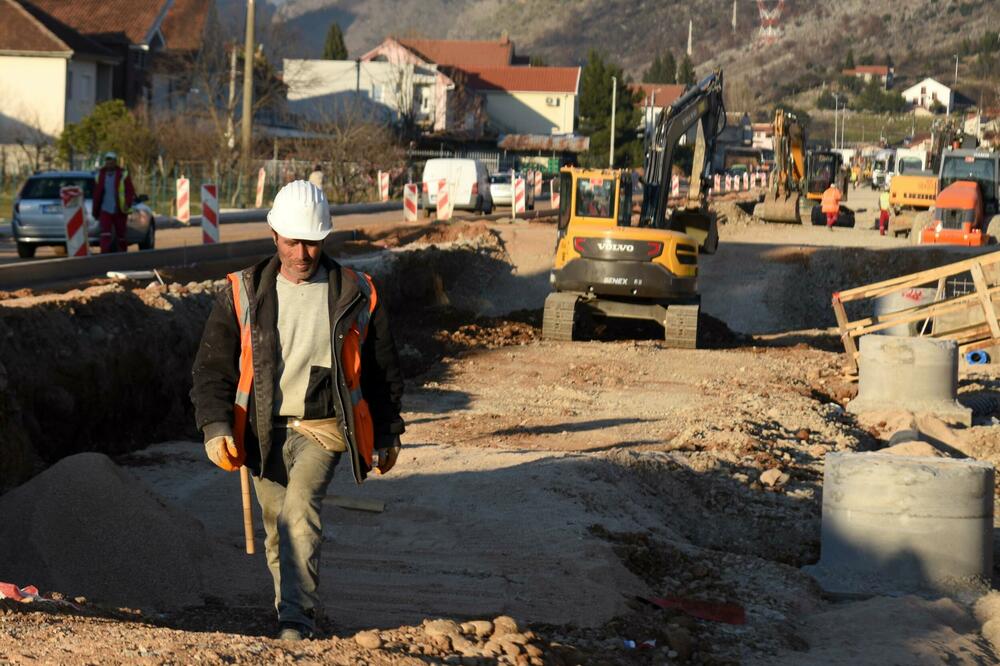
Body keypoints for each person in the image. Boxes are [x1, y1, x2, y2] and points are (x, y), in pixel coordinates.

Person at [190, 180, 405, 641]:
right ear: (273, 235)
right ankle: (289, 607)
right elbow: (212, 368)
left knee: (300, 511)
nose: (303, 253)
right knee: (275, 530)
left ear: (324, 238)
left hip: (322, 429)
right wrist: (215, 426)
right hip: (262, 431)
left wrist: (387, 432)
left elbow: (382, 371)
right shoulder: (243, 293)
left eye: (311, 241)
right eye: (293, 242)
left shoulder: (356, 293)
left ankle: (296, 620)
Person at [92, 151, 135, 253]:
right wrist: (95, 210)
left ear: (115, 162)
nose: (109, 163)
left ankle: (122, 252)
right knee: (105, 233)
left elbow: (130, 191)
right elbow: (97, 194)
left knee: (121, 233)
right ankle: (105, 253)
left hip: (119, 209)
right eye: (107, 161)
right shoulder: (100, 175)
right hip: (105, 208)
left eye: (111, 161)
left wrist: (127, 203)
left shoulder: (122, 174)